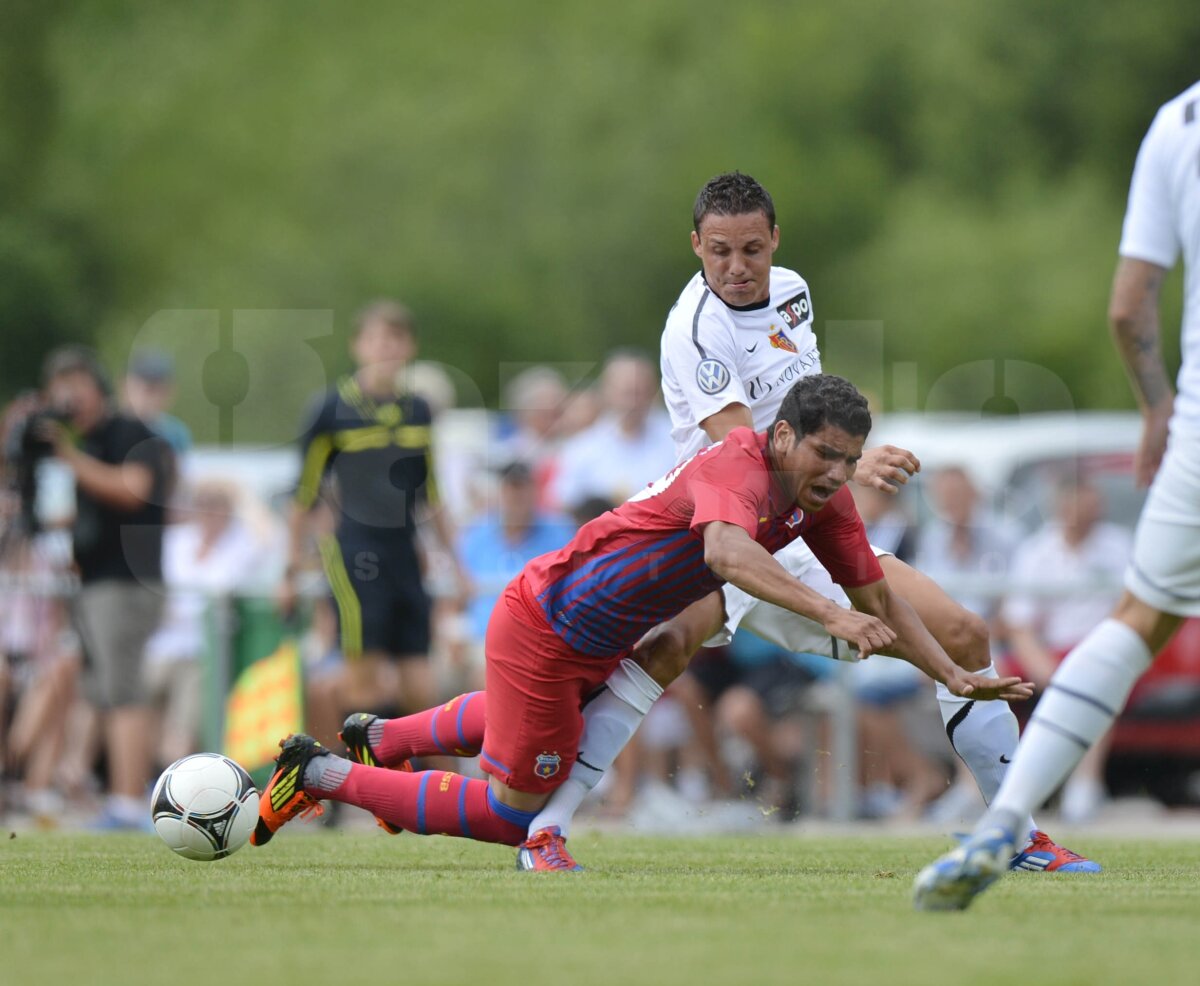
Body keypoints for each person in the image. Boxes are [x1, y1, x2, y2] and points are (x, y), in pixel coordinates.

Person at [525, 171, 1090, 873]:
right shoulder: (694, 331)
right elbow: (746, 455)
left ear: (774, 240)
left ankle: (1016, 835)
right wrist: (849, 461)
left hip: (799, 516)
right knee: (662, 650)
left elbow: (807, 408)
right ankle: (545, 829)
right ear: (696, 245)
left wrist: (838, 460)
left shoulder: (792, 291)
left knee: (964, 634)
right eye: (720, 251)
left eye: (752, 249)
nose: (737, 267)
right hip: (717, 522)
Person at [248, 375, 1011, 863]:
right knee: (512, 815)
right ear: (782, 436)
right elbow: (724, 552)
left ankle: (381, 738)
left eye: (850, 460)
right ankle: (317, 774)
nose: (839, 474)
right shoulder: (737, 465)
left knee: (537, 728)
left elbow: (878, 598)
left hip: (593, 637)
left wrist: (951, 673)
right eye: (826, 455)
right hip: (547, 629)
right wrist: (826, 615)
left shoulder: (824, 500)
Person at [913, 80, 1200, 910]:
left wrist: (1159, 410)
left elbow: (1128, 308)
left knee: (1136, 622)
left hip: (1194, 421)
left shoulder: (1176, 121)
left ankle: (1006, 820)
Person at [279, 300, 469, 721]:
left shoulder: (418, 410)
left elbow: (431, 494)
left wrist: (459, 567)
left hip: (404, 553)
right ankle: (355, 765)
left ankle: (422, 765)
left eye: (396, 338)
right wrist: (289, 571)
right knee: (361, 685)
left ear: (410, 346)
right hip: (355, 553)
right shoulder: (331, 409)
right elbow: (304, 494)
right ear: (358, 346)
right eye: (376, 339)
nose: (386, 348)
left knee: (420, 686)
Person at [38, 345, 176, 829]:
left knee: (124, 690)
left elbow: (133, 488)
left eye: (77, 388)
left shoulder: (129, 431)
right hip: (96, 583)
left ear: (99, 389)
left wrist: (69, 457)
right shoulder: (92, 442)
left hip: (127, 583)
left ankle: (128, 801)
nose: (69, 400)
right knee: (98, 691)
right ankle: (92, 790)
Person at [1002, 475, 1132, 823]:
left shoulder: (1119, 546)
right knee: (981, 678)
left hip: (1102, 650)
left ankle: (1083, 787)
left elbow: (1131, 615)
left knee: (1095, 681)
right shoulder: (1036, 550)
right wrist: (1042, 666)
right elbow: (1019, 624)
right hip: (1050, 652)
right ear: (1060, 506)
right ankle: (978, 788)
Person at [550, 349, 676, 513]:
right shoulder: (581, 448)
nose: (633, 402)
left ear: (653, 391)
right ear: (606, 392)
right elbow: (563, 501)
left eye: (639, 392)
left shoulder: (677, 438)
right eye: (626, 392)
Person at [121, 349, 192, 457]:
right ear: (126, 386)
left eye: (160, 390)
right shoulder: (109, 428)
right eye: (148, 389)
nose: (153, 398)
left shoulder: (175, 433)